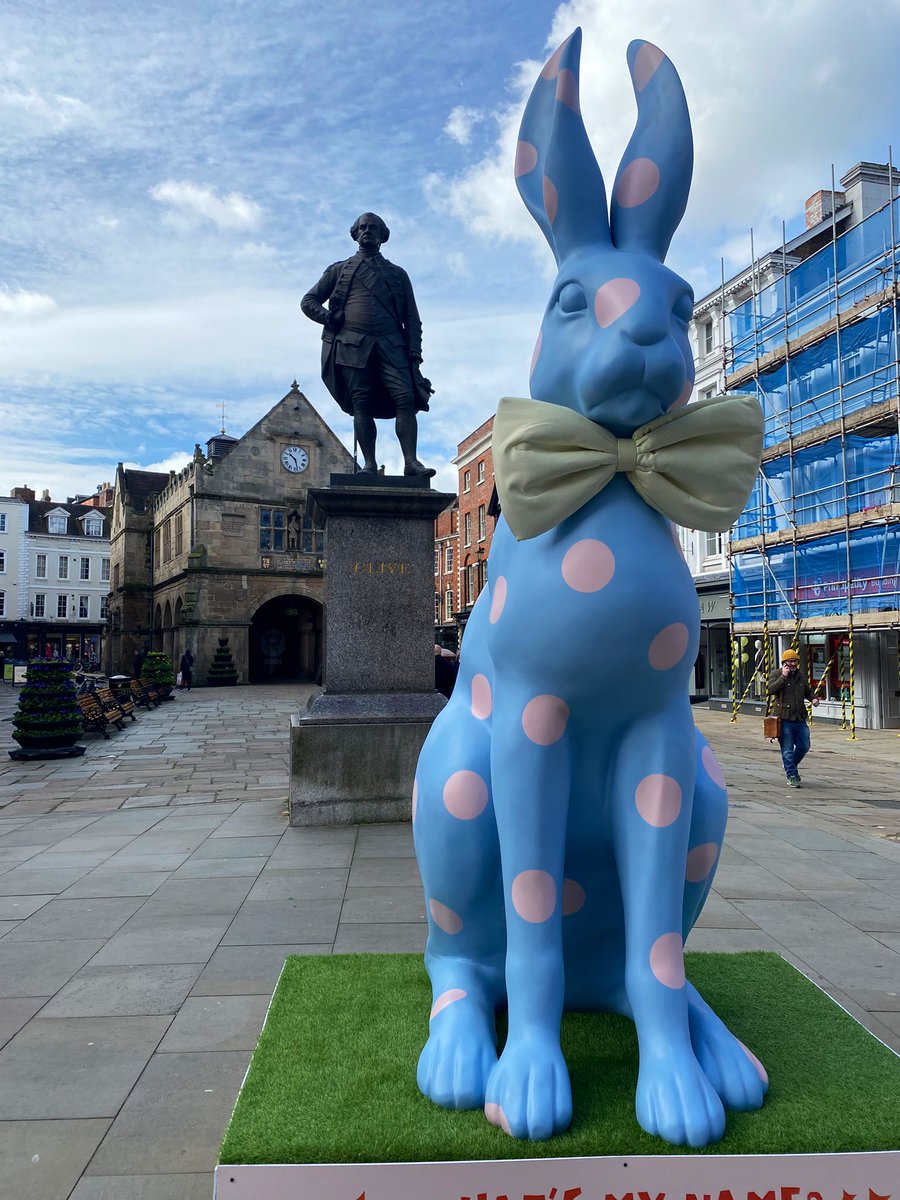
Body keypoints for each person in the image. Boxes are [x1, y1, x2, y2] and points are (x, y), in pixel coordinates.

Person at [301, 212, 434, 478]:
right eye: (362, 227)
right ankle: (369, 465)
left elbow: (412, 319)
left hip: (392, 346)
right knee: (361, 403)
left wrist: (414, 356)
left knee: (405, 398)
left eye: (373, 227)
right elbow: (308, 301)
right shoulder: (339, 270)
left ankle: (411, 462)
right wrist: (328, 317)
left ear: (383, 235)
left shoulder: (398, 274)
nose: (367, 231)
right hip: (352, 345)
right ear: (355, 234)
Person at [767, 648, 820, 787]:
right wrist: (783, 677)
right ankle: (792, 775)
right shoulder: (776, 674)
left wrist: (813, 698)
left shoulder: (800, 676)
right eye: (790, 662)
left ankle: (789, 765)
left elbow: (807, 691)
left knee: (804, 746)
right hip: (784, 719)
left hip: (800, 718)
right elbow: (771, 689)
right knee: (787, 749)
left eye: (795, 661)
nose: (792, 664)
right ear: (784, 663)